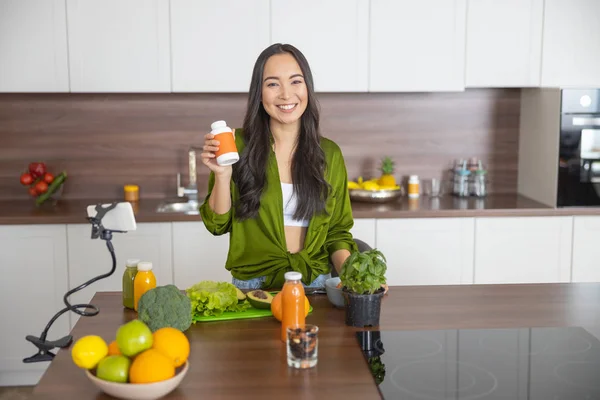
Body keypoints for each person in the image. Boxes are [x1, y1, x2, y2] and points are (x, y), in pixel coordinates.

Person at [199, 43, 358, 290]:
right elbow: (217, 225)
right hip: (253, 286)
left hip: (315, 282)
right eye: (273, 84)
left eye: (296, 81)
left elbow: (337, 232)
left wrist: (356, 279)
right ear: (259, 93)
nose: (286, 94)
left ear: (307, 87)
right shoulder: (236, 145)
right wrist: (222, 175)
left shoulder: (329, 154)